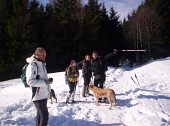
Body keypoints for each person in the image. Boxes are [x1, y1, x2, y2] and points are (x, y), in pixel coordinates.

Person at [26, 47, 53, 126]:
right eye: (43, 54)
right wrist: (45, 82)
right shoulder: (33, 66)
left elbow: (44, 80)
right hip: (37, 96)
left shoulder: (42, 64)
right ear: (37, 55)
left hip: (43, 94)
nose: (45, 56)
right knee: (44, 116)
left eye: (45, 54)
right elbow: (30, 81)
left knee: (40, 115)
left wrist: (49, 91)